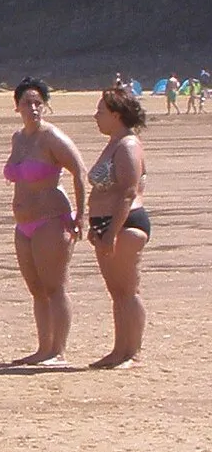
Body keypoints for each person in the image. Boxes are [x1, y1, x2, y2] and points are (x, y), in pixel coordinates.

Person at [4, 77, 87, 366]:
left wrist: (81, 214)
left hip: (51, 220)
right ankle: (43, 349)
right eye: (27, 102)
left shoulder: (52, 138)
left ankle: (58, 351)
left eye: (39, 102)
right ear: (17, 107)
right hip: (23, 223)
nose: (34, 107)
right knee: (37, 290)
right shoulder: (18, 139)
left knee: (55, 287)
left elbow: (79, 172)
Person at [85, 87, 150, 368]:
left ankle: (132, 353)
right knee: (116, 292)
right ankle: (118, 350)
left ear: (115, 114)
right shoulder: (113, 142)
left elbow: (127, 192)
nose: (95, 116)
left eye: (100, 111)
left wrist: (111, 232)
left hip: (124, 224)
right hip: (105, 224)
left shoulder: (128, 145)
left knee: (128, 290)